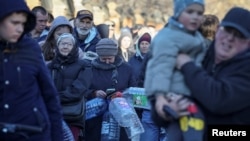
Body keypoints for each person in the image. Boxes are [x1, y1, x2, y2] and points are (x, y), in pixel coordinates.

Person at [150, 7, 250, 141]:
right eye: (227, 31)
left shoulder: (246, 69)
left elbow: (218, 99)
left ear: (247, 43)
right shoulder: (201, 57)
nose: (230, 38)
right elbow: (161, 109)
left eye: (238, 36)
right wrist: (166, 109)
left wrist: (186, 65)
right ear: (218, 30)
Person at [0, 0, 63, 141]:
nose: (19, 29)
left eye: (22, 24)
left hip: (34, 133)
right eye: (15, 23)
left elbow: (50, 96)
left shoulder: (30, 48)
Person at [144, 0, 206, 140]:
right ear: (178, 13)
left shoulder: (195, 36)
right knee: (193, 128)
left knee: (177, 132)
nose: (195, 17)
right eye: (189, 12)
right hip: (178, 97)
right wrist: (159, 97)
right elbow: (160, 68)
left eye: (199, 13)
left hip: (189, 93)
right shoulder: (168, 38)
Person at [85, 38, 136, 141]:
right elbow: (82, 89)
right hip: (95, 117)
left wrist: (122, 95)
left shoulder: (126, 69)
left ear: (115, 55)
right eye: (103, 59)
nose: (107, 61)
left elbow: (133, 91)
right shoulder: (89, 68)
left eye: (110, 58)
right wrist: (93, 93)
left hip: (120, 116)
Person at [47, 33, 92, 141]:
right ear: (57, 46)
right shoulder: (49, 66)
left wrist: (55, 98)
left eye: (69, 44)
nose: (65, 46)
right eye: (62, 44)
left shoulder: (84, 66)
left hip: (72, 115)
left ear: (74, 47)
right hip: (52, 114)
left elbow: (78, 89)